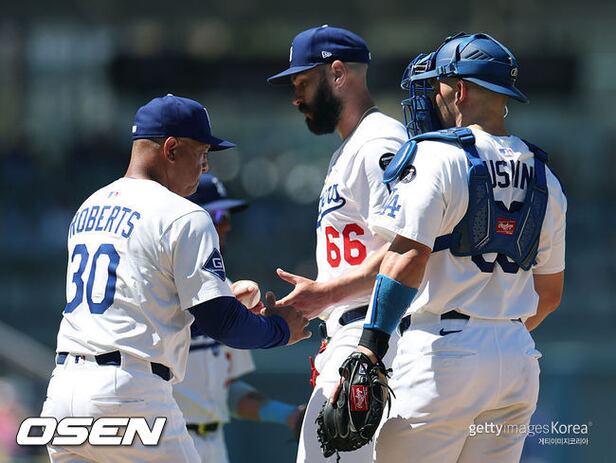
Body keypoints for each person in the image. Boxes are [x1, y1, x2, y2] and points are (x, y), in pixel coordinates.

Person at [334, 32, 566, 462]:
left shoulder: (436, 156)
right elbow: (549, 295)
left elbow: (406, 257)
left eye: (438, 85)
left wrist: (370, 346)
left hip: (443, 352)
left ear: (459, 90)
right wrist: (495, 335)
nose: (431, 96)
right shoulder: (545, 176)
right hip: (517, 356)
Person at [41, 94, 310, 463]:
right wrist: (280, 329)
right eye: (202, 154)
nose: (204, 166)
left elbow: (139, 308)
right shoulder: (184, 214)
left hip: (63, 393)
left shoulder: (89, 207)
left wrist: (221, 299)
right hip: (130, 393)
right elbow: (223, 323)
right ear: (171, 149)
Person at [267, 25, 407, 462]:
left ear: (338, 73)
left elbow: (407, 248)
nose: (296, 97)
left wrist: (325, 294)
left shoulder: (380, 142)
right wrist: (316, 302)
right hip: (352, 333)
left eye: (303, 82)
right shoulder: (351, 147)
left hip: (374, 335)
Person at [174, 173, 306, 462]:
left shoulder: (225, 290)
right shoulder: (166, 287)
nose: (226, 225)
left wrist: (288, 415)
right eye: (216, 215)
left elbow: (227, 391)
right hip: (164, 439)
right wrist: (275, 329)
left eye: (227, 215)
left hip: (213, 444)